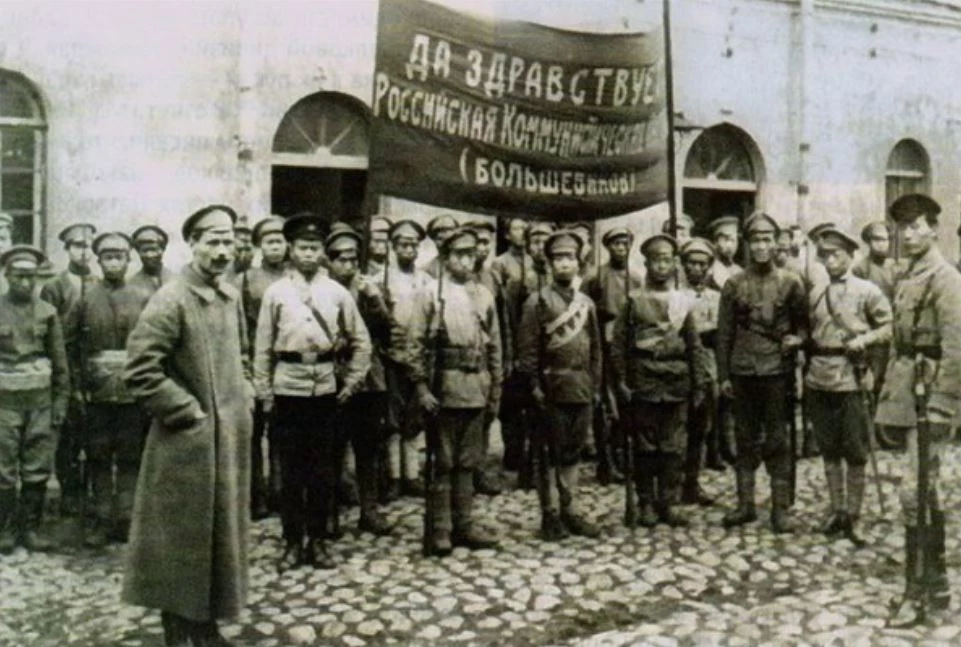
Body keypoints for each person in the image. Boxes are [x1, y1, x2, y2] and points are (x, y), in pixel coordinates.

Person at [122, 205, 252, 647]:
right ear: (192, 244)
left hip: (226, 444)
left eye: (227, 241)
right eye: (211, 241)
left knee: (219, 538)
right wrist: (189, 413)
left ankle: (207, 624)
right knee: (181, 540)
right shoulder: (172, 299)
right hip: (185, 447)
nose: (221, 251)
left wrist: (243, 399)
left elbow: (241, 359)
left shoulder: (230, 297)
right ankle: (178, 628)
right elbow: (140, 370)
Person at [254, 213, 371, 571]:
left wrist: (351, 383)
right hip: (288, 388)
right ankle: (291, 542)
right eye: (302, 247)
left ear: (323, 251)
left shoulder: (336, 292)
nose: (308, 254)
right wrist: (265, 392)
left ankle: (318, 541)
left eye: (315, 248)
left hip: (325, 390)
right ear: (290, 249)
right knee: (291, 472)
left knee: (322, 471)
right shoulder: (275, 293)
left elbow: (362, 341)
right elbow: (262, 347)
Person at [877, 194, 961, 627]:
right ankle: (938, 584)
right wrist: (889, 402)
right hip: (910, 394)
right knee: (924, 491)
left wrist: (945, 407)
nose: (906, 235)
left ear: (934, 229)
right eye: (901, 227)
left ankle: (916, 592)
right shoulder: (908, 275)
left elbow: (956, 347)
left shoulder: (945, 278)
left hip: (933, 400)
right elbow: (899, 342)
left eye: (915, 226)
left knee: (914, 491)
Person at [406, 226, 503, 554]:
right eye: (459, 254)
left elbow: (495, 349)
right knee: (444, 460)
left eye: (471, 254)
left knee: (468, 460)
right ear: (446, 258)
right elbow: (414, 345)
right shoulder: (431, 294)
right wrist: (421, 388)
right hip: (443, 388)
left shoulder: (484, 295)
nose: (467, 260)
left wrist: (495, 390)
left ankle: (464, 523)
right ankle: (441, 527)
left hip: (476, 386)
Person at [717, 212, 807, 534]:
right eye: (755, 240)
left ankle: (780, 509)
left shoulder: (791, 282)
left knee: (778, 439)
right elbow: (724, 334)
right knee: (744, 437)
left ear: (776, 242)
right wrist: (723, 375)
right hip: (742, 370)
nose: (761, 246)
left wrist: (798, 339)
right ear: (747, 243)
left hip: (776, 372)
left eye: (767, 239)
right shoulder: (734, 284)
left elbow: (803, 325)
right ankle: (745, 505)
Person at [805, 226, 892, 545]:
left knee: (855, 451)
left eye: (836, 255)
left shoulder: (867, 290)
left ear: (851, 255)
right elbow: (809, 332)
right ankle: (836, 510)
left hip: (852, 377)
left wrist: (864, 339)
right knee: (828, 449)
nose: (830, 261)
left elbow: (888, 326)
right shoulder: (815, 293)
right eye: (825, 255)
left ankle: (854, 516)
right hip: (819, 377)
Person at [611, 234, 706, 528]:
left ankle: (669, 502)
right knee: (645, 447)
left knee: (673, 447)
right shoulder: (633, 301)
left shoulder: (682, 302)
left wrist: (699, 382)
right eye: (656, 260)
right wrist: (621, 382)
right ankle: (646, 502)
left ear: (674, 262)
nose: (662, 266)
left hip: (677, 382)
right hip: (644, 381)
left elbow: (694, 344)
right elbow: (619, 346)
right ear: (647, 263)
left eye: (667, 260)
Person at [516, 230, 602, 541]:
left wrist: (595, 386)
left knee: (572, 453)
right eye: (557, 258)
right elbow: (526, 353)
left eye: (569, 257)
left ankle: (570, 509)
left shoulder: (586, 304)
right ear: (549, 264)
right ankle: (549, 513)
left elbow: (595, 350)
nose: (564, 264)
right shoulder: (536, 302)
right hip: (551, 387)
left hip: (580, 387)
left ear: (579, 261)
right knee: (547, 454)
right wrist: (535, 387)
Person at [70, 232, 151, 547]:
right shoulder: (86, 297)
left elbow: (152, 343)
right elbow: (72, 343)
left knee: (131, 456)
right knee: (99, 455)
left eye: (120, 256)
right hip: (97, 392)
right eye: (108, 257)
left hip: (133, 390)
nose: (114, 262)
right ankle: (102, 519)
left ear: (129, 259)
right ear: (99, 261)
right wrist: (78, 386)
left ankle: (127, 519)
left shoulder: (143, 296)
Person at [0, 246, 69, 554]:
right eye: (19, 276)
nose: (25, 283)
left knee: (37, 466)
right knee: (2, 467)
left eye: (31, 277)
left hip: (40, 401)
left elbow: (60, 363)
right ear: (7, 276)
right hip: (4, 402)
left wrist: (60, 404)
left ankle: (30, 528)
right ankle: (5, 529)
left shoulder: (47, 312)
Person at [325, 224, 392, 536]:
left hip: (369, 380)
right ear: (329, 260)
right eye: (341, 259)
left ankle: (369, 510)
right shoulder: (320, 291)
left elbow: (389, 330)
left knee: (369, 448)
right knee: (332, 449)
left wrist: (376, 300)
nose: (348, 265)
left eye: (353, 259)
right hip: (334, 378)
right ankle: (330, 513)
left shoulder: (370, 288)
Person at [40, 222, 98, 517]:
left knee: (93, 432)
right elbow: (50, 331)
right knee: (68, 434)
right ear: (67, 250)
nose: (84, 252)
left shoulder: (99, 283)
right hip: (65, 363)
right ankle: (70, 492)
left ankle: (90, 493)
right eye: (77, 246)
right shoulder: (55, 287)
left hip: (93, 367)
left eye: (88, 246)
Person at [580, 226, 643, 485]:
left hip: (630, 346)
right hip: (604, 344)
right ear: (608, 247)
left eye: (625, 243)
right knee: (606, 405)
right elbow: (583, 310)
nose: (621, 248)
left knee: (627, 401)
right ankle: (605, 463)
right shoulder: (596, 277)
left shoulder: (637, 277)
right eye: (616, 243)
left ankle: (624, 458)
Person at [380, 219, 435, 500]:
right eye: (403, 244)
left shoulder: (426, 280)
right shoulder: (381, 278)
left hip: (417, 358)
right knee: (392, 420)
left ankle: (412, 475)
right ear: (393, 246)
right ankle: (394, 476)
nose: (408, 249)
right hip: (390, 358)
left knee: (414, 419)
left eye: (413, 244)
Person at [241, 215, 288, 520]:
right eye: (269, 241)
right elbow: (242, 323)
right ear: (259, 245)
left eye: (280, 241)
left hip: (285, 362)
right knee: (254, 434)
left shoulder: (296, 277)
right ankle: (256, 496)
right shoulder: (246, 279)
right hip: (258, 360)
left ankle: (280, 493)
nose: (275, 247)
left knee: (283, 433)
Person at [680, 237, 725, 502]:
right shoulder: (675, 295)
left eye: (702, 263)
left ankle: (691, 483)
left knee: (701, 426)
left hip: (707, 367)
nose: (696, 268)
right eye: (691, 263)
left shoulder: (716, 298)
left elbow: (719, 334)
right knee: (677, 428)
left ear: (709, 267)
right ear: (683, 265)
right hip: (681, 366)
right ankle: (670, 483)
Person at [466, 218, 507, 496]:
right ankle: (462, 474)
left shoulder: (492, 277)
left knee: (486, 414)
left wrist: (503, 361)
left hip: (487, 356)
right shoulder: (454, 277)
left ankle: (478, 470)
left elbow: (501, 322)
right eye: (478, 243)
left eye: (487, 243)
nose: (483, 248)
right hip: (461, 357)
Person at [128, 225, 175, 300]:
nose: (149, 255)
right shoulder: (131, 285)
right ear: (138, 252)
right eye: (144, 250)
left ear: (162, 250)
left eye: (153, 250)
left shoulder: (177, 279)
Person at [707, 215, 743, 291]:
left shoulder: (739, 271)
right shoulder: (709, 271)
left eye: (733, 240)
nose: (730, 245)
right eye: (726, 240)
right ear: (715, 243)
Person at [423, 213, 459, 279]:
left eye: (449, 240)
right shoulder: (427, 270)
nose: (446, 245)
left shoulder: (468, 265)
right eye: (440, 239)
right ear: (434, 240)